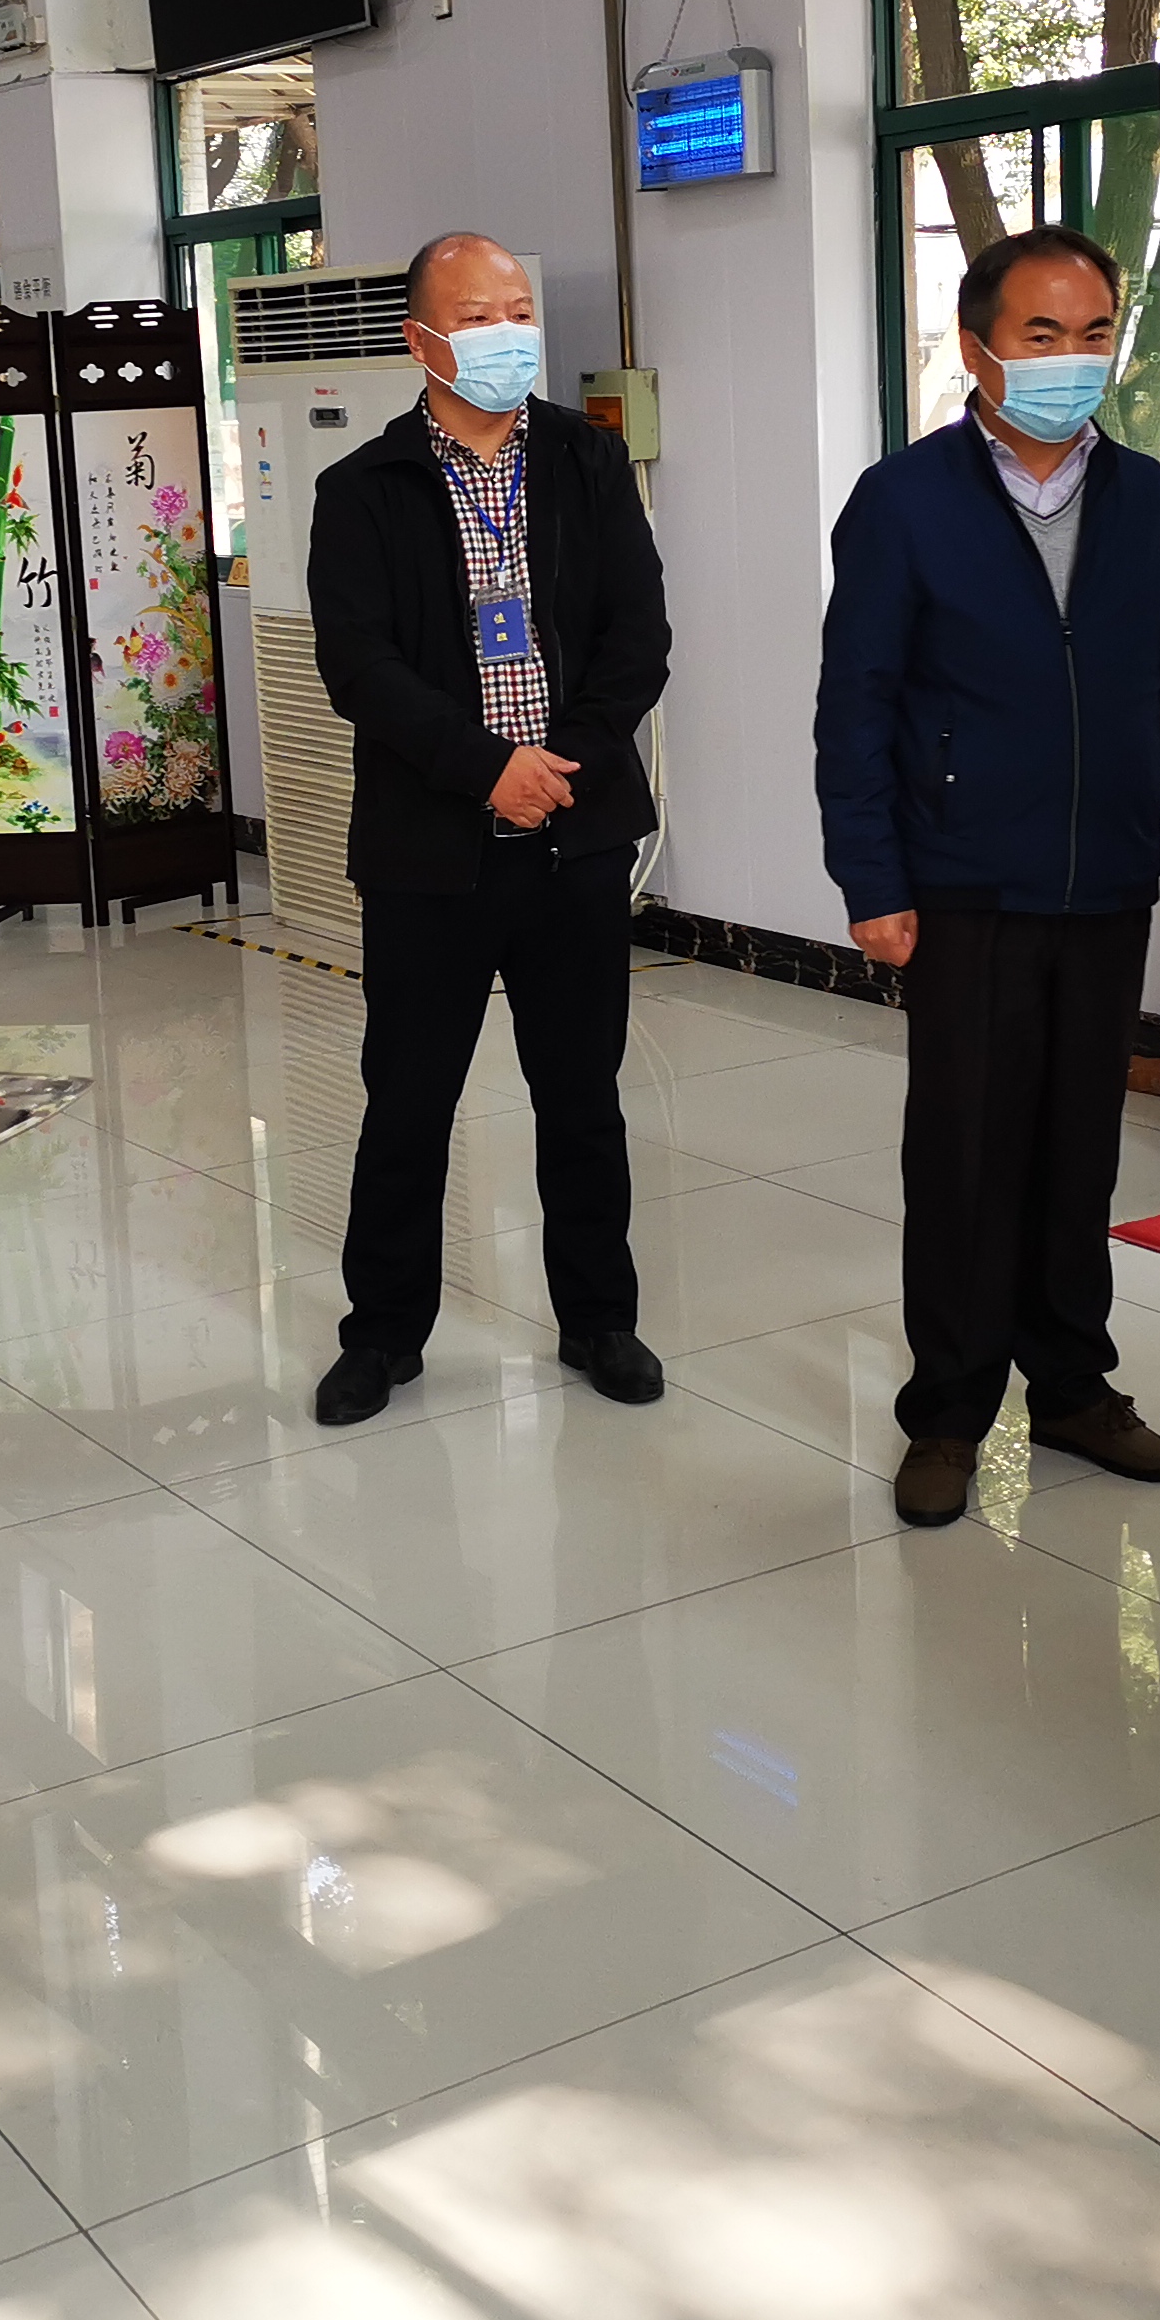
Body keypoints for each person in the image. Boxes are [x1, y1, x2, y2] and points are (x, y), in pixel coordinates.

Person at [815, 224, 1160, 1532]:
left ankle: (1071, 1389)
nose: (1071, 358)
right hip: (962, 882)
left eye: (1094, 332)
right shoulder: (904, 499)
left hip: (1103, 878)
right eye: (1041, 333)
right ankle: (947, 1412)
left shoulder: (1144, 496)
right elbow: (856, 705)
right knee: (963, 1151)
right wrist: (870, 876)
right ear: (977, 347)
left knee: (1077, 1148)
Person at [308, 230, 671, 1425]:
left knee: (582, 1098)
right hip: (429, 852)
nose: (509, 333)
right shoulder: (361, 489)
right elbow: (358, 667)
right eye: (478, 316)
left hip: (573, 834)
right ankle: (381, 1336)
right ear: (422, 339)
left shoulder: (585, 459)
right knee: (408, 1104)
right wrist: (484, 770)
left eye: (518, 310)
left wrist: (560, 770)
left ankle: (599, 1319)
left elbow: (637, 636)